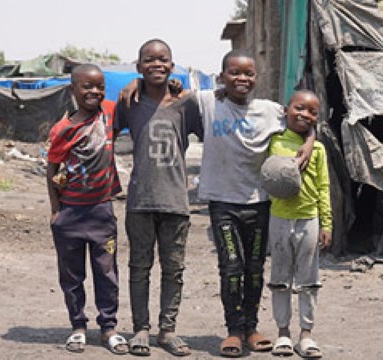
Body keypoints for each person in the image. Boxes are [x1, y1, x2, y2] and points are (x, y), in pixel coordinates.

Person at [120, 49, 314, 358]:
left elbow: (303, 116)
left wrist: (310, 141)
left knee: (254, 269)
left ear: (256, 78)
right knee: (230, 268)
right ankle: (233, 330)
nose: (242, 78)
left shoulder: (270, 110)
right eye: (234, 73)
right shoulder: (208, 101)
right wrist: (135, 83)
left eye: (248, 73)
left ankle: (251, 328)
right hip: (222, 204)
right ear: (221, 77)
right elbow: (163, 89)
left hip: (259, 202)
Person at [114, 38, 203, 357]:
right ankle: (141, 329)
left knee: (174, 268)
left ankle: (168, 331)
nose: (156, 65)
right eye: (148, 61)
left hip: (176, 201)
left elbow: (211, 136)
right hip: (139, 200)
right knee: (139, 266)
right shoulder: (129, 102)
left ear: (172, 64)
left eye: (163, 59)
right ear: (138, 68)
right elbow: (103, 137)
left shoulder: (187, 103)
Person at [46, 63, 128, 355]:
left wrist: (136, 86)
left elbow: (135, 100)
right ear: (73, 89)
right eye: (87, 86)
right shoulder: (63, 129)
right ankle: (78, 326)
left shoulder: (110, 112)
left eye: (100, 86)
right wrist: (56, 210)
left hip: (101, 211)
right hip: (70, 213)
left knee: (107, 273)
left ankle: (109, 328)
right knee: (71, 275)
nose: (94, 91)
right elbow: (52, 168)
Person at [267, 90, 331, 359]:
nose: (304, 114)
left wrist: (326, 222)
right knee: (280, 278)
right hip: (279, 218)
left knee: (308, 279)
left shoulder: (317, 149)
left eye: (312, 112)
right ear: (286, 109)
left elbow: (323, 186)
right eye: (299, 108)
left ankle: (306, 334)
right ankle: (283, 332)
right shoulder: (273, 141)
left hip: (309, 219)